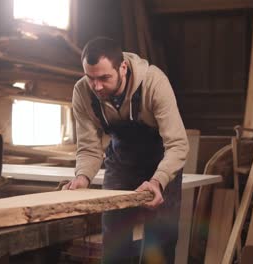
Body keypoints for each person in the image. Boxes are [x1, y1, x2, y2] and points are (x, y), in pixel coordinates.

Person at [63, 37, 188, 263]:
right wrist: (82, 178)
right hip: (121, 161)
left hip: (160, 162)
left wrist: (158, 181)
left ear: (122, 67)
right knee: (114, 239)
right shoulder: (82, 92)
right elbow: (89, 148)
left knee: (159, 241)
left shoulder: (154, 83)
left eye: (104, 78)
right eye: (90, 78)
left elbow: (177, 144)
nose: (97, 86)